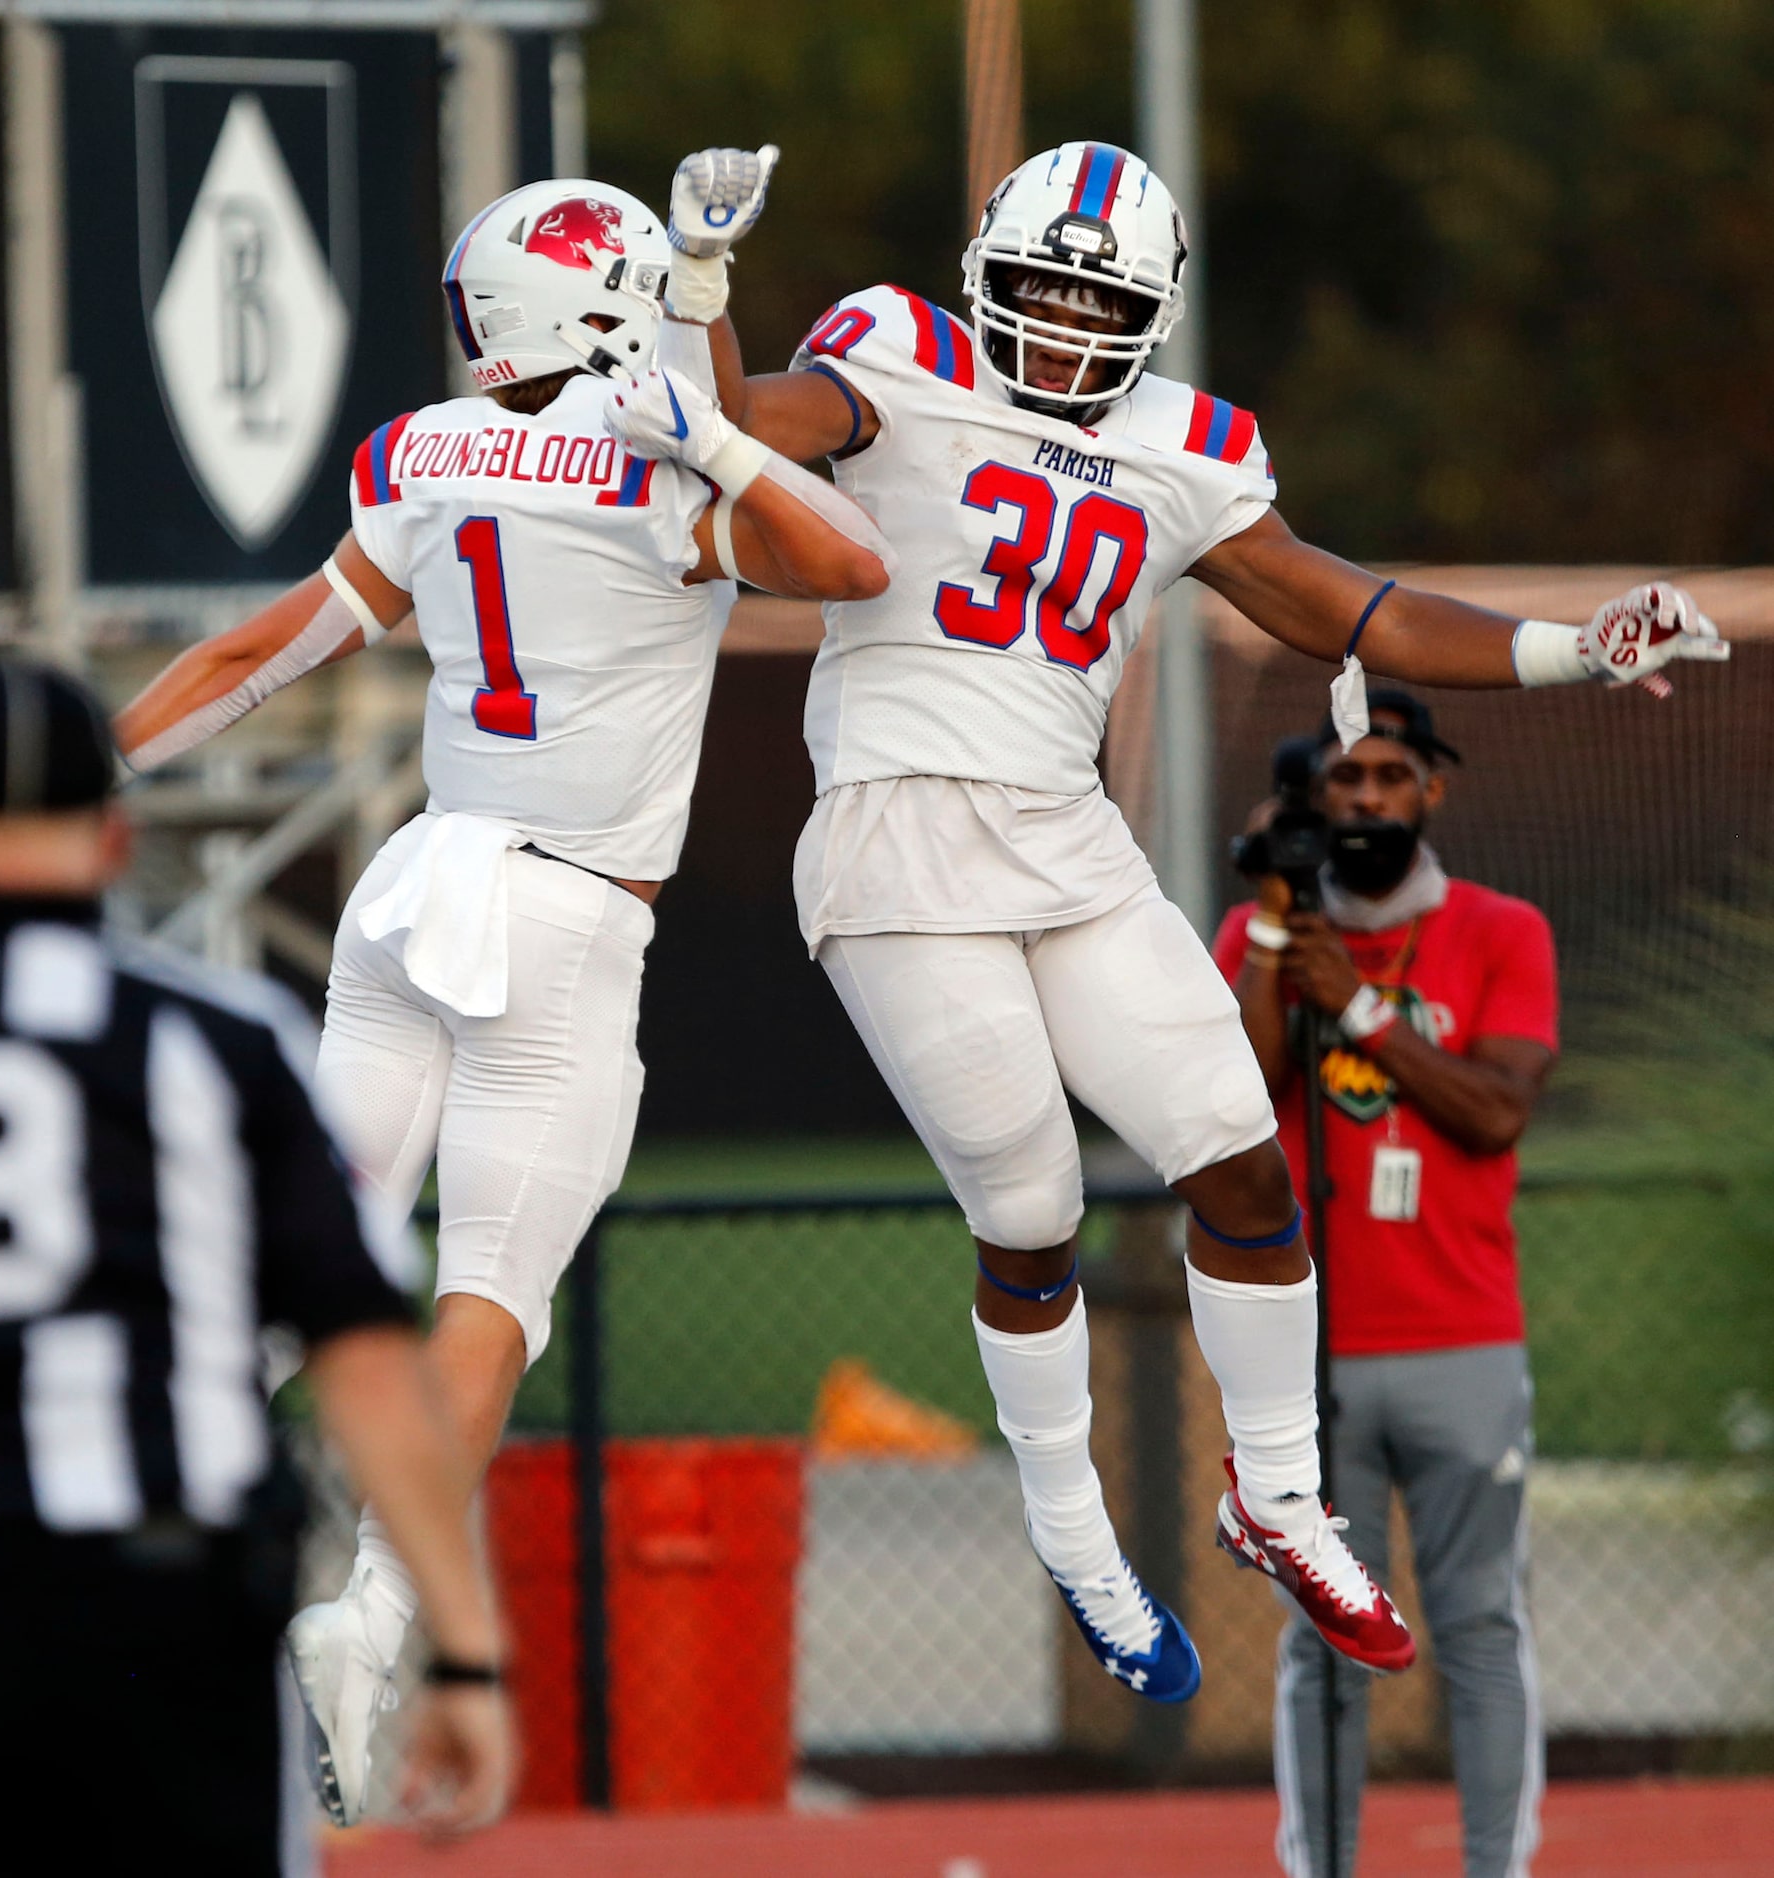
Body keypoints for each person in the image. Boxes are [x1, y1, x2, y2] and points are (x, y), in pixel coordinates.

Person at [686, 137, 1725, 1699]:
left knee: (1239, 1157)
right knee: (1027, 1205)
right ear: (986, 273)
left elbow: (1342, 604)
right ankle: (1071, 1527)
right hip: (897, 838)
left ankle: (1279, 1495)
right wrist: (702, 282)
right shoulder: (898, 346)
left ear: (1153, 311)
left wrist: (1571, 649)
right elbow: (732, 423)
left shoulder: (1187, 444)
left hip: (1070, 842)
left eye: (1087, 299)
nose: (1052, 325)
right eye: (1033, 289)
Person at [114, 159, 890, 1824]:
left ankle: (86, 1488)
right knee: (490, 1297)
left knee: (293, 1261)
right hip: (562, 919)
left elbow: (257, 655)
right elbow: (853, 567)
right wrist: (727, 436)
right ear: (607, 305)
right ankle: (373, 1614)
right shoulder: (664, 476)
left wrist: (55, 786)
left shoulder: (422, 451)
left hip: (413, 892)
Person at [0, 662, 513, 1873]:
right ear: (114, 842)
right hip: (165, 1600)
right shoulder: (216, 1042)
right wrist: (467, 1650)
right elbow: (365, 1360)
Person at [1214, 691, 1552, 1878]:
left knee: (1477, 1626)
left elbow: (1495, 1113)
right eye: (1343, 779)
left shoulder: (1502, 930)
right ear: (1311, 799)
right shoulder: (1262, 935)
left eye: (1390, 777)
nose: (1365, 800)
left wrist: (1353, 1006)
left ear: (1431, 790)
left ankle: (1493, 1867)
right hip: (1314, 1354)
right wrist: (1272, 929)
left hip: (1461, 1335)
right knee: (1323, 1638)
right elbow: (1240, 1097)